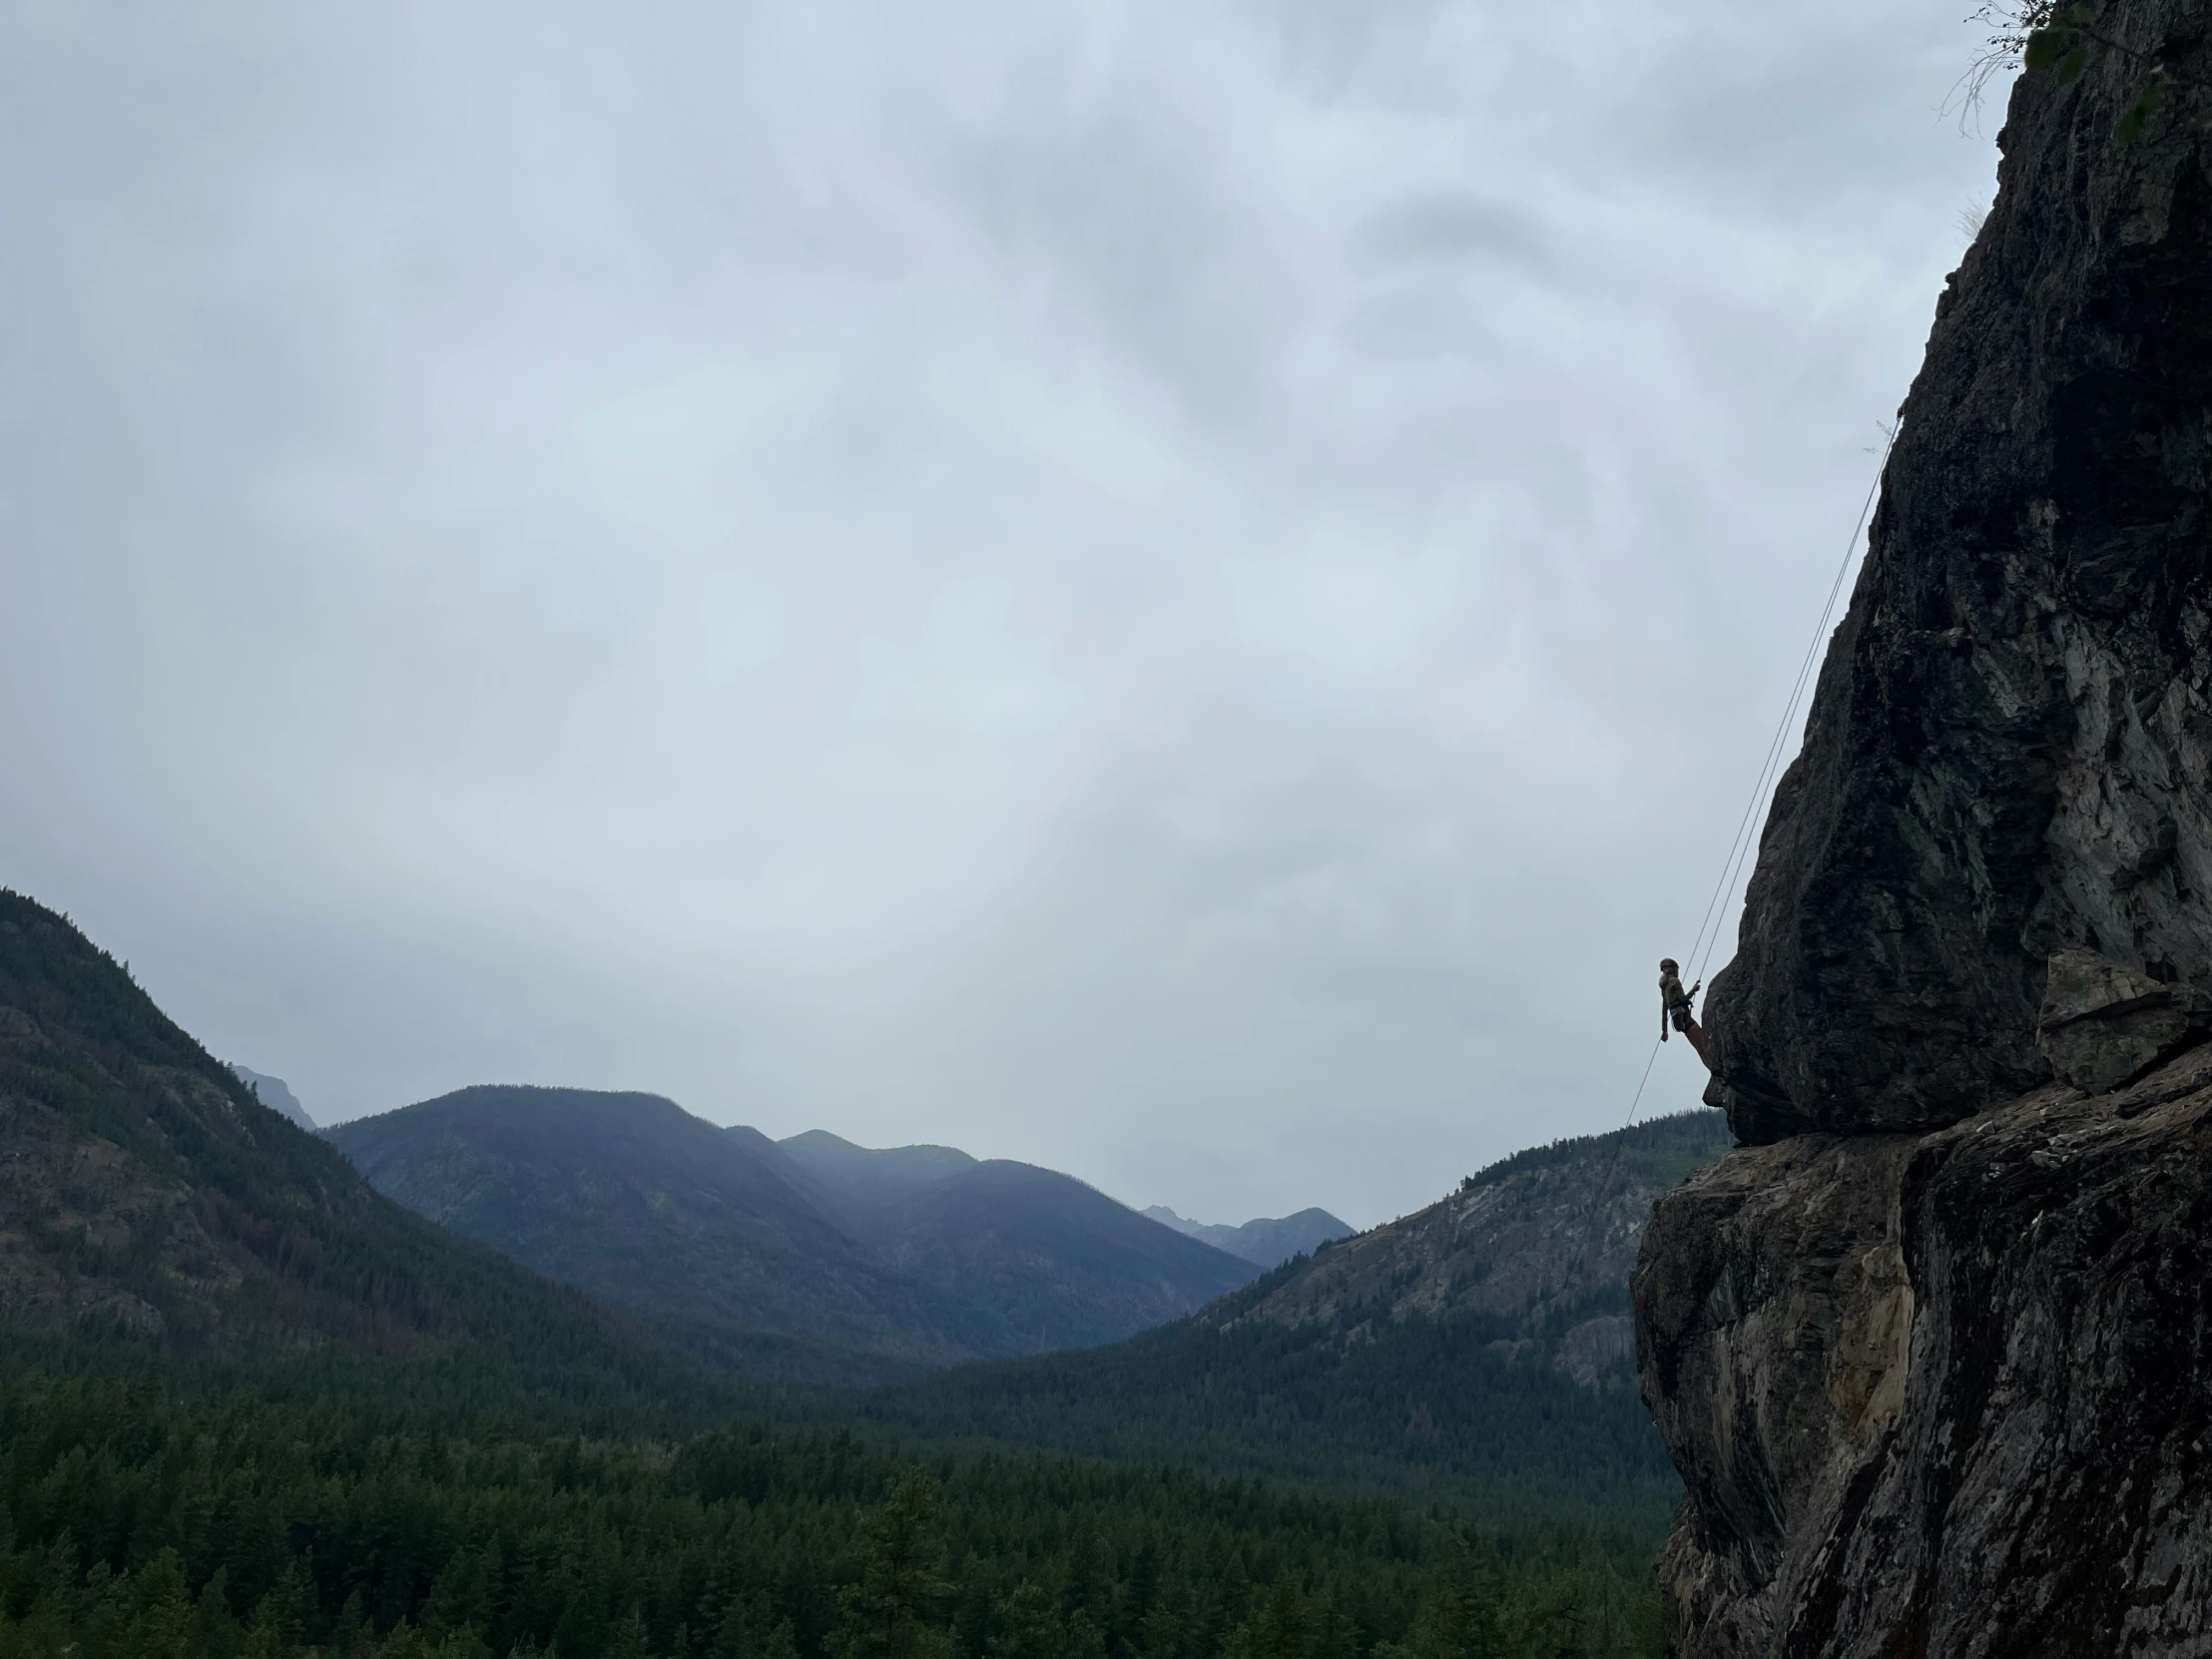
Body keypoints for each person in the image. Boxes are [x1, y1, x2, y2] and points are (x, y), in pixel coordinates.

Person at [1659, 957, 1711, 1068]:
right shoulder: (1674, 981)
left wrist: (1665, 1032)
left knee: (1699, 1050)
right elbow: (1683, 999)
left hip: (1679, 1023)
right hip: (1686, 1019)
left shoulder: (1664, 988)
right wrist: (1694, 990)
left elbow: (1664, 1012)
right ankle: (1717, 1068)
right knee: (1705, 1044)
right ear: (1674, 969)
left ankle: (1713, 1071)